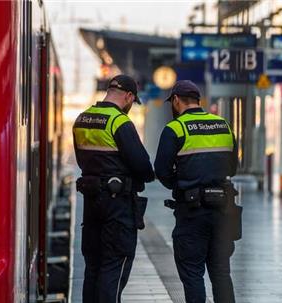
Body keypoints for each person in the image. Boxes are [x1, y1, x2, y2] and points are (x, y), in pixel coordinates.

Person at [154, 80, 240, 303]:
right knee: (221, 272)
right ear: (198, 101)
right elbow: (233, 167)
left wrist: (182, 185)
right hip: (223, 210)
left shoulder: (176, 128)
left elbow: (162, 170)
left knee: (193, 274)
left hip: (192, 212)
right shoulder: (223, 125)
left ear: (175, 100)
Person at [73, 74, 154, 303]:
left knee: (93, 267)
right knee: (114, 266)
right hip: (117, 207)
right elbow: (142, 165)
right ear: (128, 96)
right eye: (132, 101)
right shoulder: (119, 122)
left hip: (91, 205)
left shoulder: (82, 119)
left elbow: (81, 161)